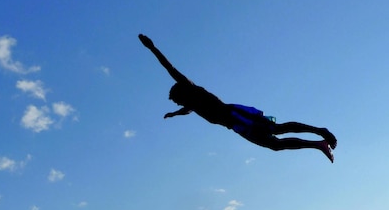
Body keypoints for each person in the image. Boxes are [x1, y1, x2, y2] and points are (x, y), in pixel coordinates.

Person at [138, 34, 337, 163]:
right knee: (275, 143)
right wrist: (174, 114)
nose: (178, 103)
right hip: (237, 125)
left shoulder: (193, 90)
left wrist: (151, 48)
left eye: (176, 100)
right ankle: (318, 144)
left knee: (277, 130)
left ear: (181, 92)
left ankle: (320, 133)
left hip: (237, 116)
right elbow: (188, 109)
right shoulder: (192, 104)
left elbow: (169, 68)